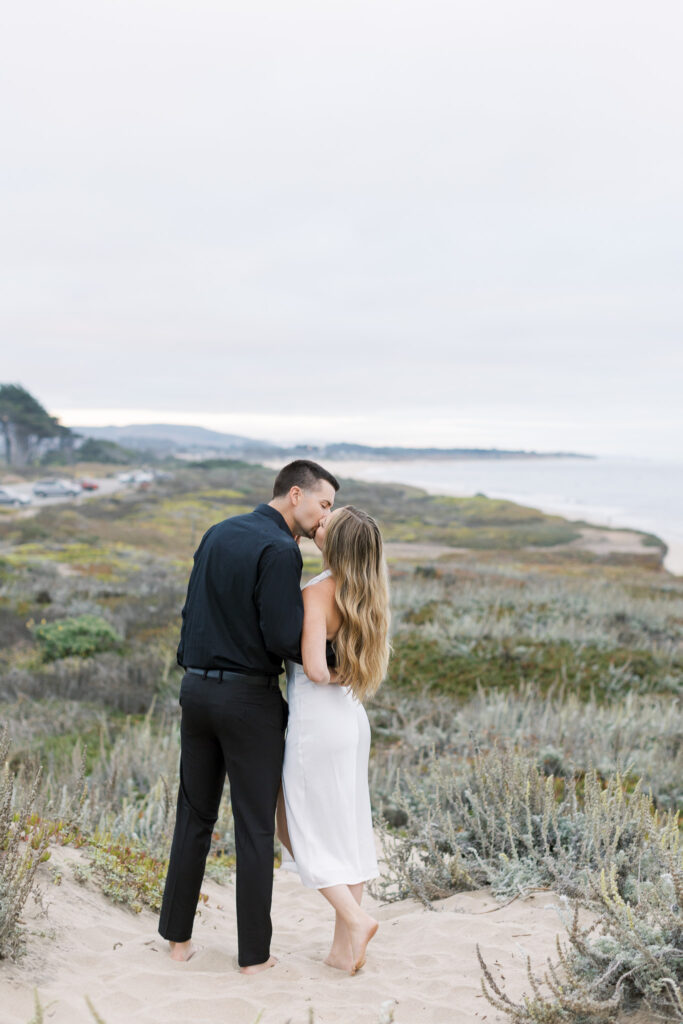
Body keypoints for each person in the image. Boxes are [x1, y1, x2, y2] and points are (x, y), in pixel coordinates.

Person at [158, 460, 339, 972]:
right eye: (323, 505)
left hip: (195, 690)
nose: (324, 517)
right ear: (296, 493)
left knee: (194, 817)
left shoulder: (218, 532)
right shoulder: (280, 549)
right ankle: (254, 958)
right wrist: (337, 659)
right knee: (256, 827)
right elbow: (284, 636)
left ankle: (177, 941)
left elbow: (192, 611)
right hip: (248, 702)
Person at [277, 505, 391, 975]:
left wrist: (331, 671)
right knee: (346, 828)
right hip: (351, 719)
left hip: (317, 723)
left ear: (338, 544)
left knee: (289, 821)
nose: (317, 524)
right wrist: (347, 672)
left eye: (327, 524)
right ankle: (343, 952)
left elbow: (316, 669)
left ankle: (354, 917)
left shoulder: (318, 591)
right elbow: (345, 666)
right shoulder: (369, 592)